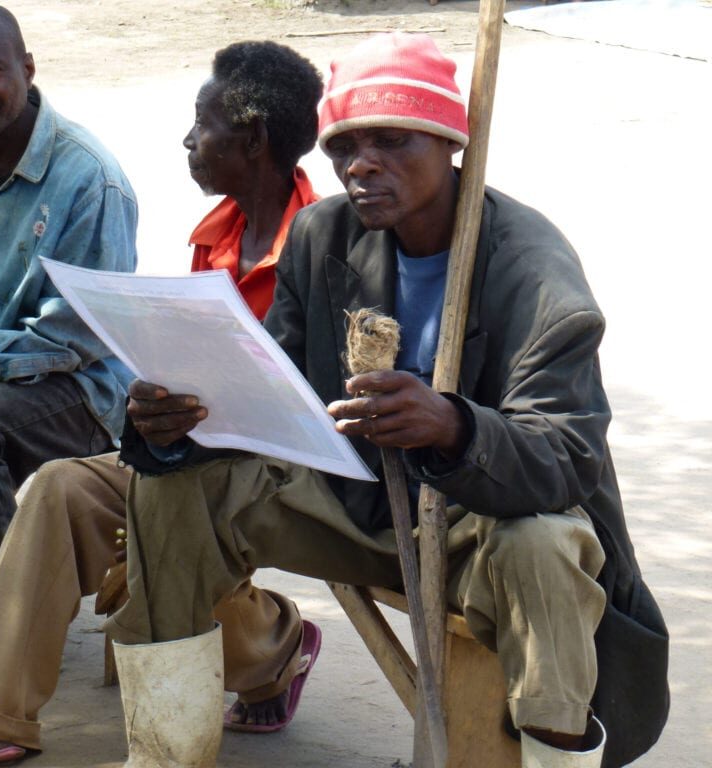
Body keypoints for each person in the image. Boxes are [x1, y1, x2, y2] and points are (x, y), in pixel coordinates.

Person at [106, 31, 670, 768]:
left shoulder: (536, 273)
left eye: (393, 142)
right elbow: (274, 389)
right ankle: (165, 751)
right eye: (345, 148)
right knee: (170, 487)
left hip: (479, 529)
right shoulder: (322, 234)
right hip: (348, 501)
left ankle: (553, 754)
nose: (361, 166)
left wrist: (452, 426)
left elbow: (565, 459)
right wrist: (176, 422)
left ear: (449, 143)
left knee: (547, 544)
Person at [0, 39, 324, 764]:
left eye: (202, 123)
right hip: (192, 458)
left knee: (152, 552)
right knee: (62, 490)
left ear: (251, 139)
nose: (187, 139)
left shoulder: (323, 242)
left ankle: (274, 642)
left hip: (278, 474)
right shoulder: (215, 238)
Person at [0, 1, 137, 606]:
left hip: (74, 388)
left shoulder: (88, 179)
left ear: (26, 68)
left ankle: (8, 630)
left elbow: (73, 337)